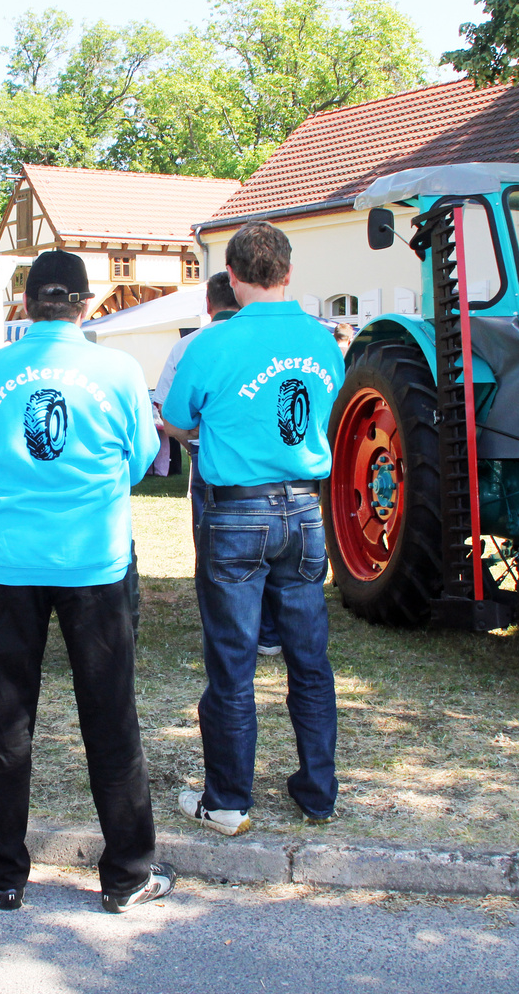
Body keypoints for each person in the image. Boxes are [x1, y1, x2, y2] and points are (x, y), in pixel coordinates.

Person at [0, 249, 174, 913]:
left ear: (26, 305)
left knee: (9, 721)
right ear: (85, 304)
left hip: (9, 564)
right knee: (111, 721)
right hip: (93, 563)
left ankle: (4, 874)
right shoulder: (116, 370)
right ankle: (127, 874)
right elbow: (144, 458)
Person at [162, 221, 345, 837]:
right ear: (289, 274)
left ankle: (229, 801)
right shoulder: (323, 341)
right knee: (310, 659)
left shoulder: (211, 344)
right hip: (305, 508)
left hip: (236, 509)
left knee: (233, 661)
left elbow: (177, 417)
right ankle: (318, 791)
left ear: (233, 280)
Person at [152, 272, 282, 656]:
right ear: (241, 296)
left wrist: (193, 438)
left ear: (208, 305)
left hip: (208, 458)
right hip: (268, 458)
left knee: (214, 550)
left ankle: (229, 635)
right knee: (274, 546)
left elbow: (166, 409)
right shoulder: (267, 342)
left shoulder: (191, 344)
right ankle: (269, 632)